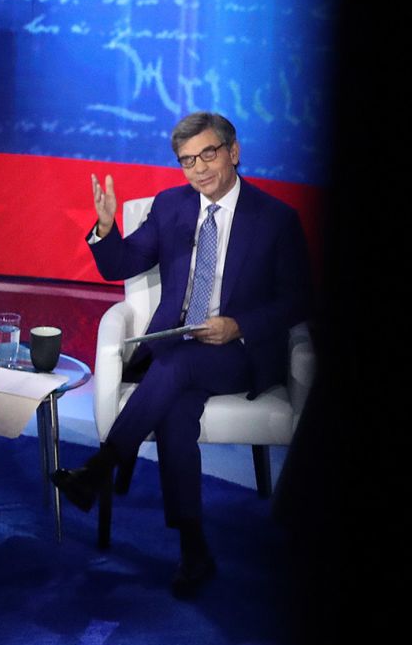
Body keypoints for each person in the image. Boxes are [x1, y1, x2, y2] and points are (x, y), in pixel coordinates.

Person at [52, 111, 310, 597]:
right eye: (187, 161)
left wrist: (238, 326)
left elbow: (298, 299)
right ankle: (194, 550)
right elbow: (123, 265)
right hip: (177, 349)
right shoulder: (170, 206)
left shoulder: (276, 219)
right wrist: (105, 228)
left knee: (178, 363)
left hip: (239, 352)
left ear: (233, 152)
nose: (198, 169)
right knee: (175, 417)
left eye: (208, 155)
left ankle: (99, 469)